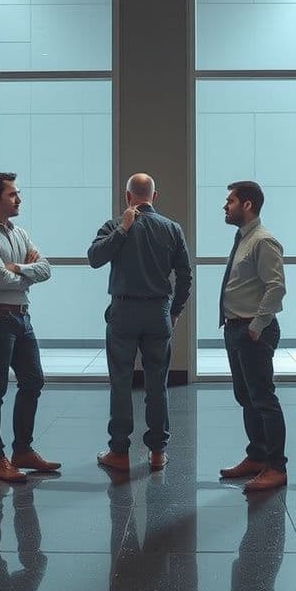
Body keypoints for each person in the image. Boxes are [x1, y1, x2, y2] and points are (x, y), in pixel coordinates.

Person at [87, 173, 192, 472]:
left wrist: (122, 230)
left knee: (120, 381)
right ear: (154, 197)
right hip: (159, 312)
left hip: (123, 312)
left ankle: (119, 452)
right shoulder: (172, 229)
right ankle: (157, 452)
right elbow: (185, 276)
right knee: (157, 383)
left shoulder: (113, 226)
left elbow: (94, 258)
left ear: (127, 196)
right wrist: (175, 311)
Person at [0, 172, 60, 483]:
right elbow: (0, 280)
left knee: (33, 381)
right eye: (13, 195)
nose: (18, 199)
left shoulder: (18, 233)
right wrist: (25, 274)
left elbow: (45, 269)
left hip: (22, 318)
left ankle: (23, 451)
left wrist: (19, 267)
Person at [218, 180, 288, 492]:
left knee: (263, 399)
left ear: (247, 205)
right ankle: (257, 456)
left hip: (252, 331)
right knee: (246, 397)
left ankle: (276, 467)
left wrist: (256, 326)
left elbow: (276, 288)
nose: (225, 206)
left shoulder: (263, 241)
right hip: (236, 328)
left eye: (230, 201)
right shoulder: (243, 239)